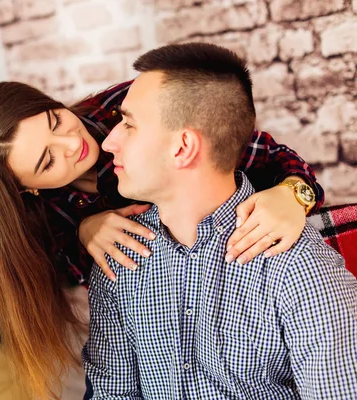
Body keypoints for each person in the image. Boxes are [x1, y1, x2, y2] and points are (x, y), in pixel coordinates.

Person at [0, 74, 326, 396]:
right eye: (47, 160)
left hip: (258, 274)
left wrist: (292, 193)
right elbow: (121, 315)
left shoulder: (134, 108)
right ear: (24, 189)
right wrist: (84, 232)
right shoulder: (42, 221)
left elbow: (269, 155)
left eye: (55, 120)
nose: (73, 143)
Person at [82, 42, 357, 399]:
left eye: (129, 125)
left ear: (183, 148)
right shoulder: (119, 259)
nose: (109, 142)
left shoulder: (298, 267)